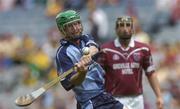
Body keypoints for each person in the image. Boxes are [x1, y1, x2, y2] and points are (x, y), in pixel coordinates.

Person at [55, 10, 127, 109]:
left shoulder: (86, 37)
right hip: (90, 102)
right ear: (63, 29)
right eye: (70, 26)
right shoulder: (62, 54)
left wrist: (87, 56)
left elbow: (94, 48)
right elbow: (71, 83)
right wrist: (82, 72)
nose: (76, 28)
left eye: (78, 23)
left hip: (106, 95)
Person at [97, 16, 164, 109]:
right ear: (116, 29)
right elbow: (97, 76)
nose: (125, 29)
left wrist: (159, 96)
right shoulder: (105, 50)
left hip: (136, 99)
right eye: (121, 25)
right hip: (114, 99)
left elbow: (151, 73)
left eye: (128, 25)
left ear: (133, 29)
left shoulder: (143, 49)